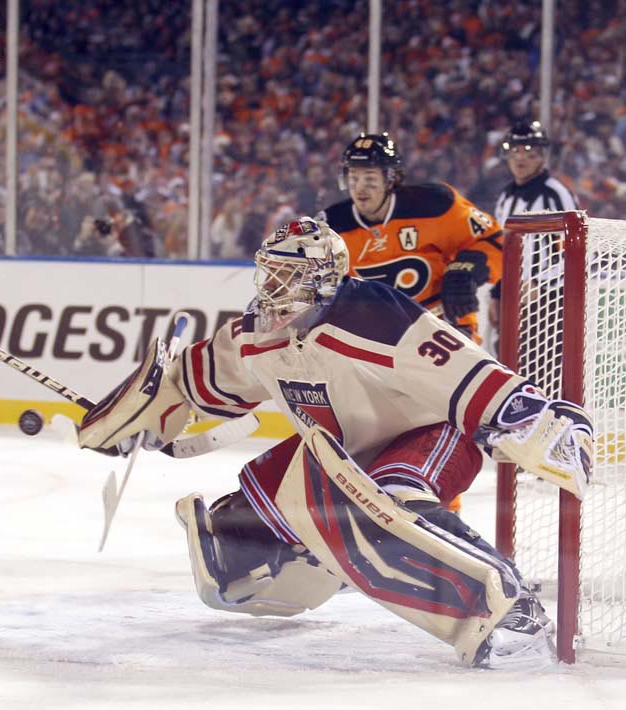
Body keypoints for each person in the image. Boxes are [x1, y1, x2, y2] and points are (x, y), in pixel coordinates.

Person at [77, 217, 593, 669]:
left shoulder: (369, 313)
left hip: (431, 432)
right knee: (237, 536)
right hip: (346, 453)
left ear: (323, 277)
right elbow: (196, 380)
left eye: (288, 274)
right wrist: (148, 412)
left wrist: (525, 415)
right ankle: (324, 561)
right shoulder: (258, 333)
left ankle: (509, 609)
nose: (273, 285)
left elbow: (457, 362)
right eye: (270, 271)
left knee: (387, 498)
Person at [322, 132, 503, 514]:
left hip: (445, 337)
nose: (361, 187)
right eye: (354, 178)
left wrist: (470, 268)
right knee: (372, 434)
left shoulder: (436, 205)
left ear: (391, 179)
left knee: (440, 432)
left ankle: (440, 516)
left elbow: (494, 238)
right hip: (379, 349)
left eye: (370, 178)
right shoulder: (332, 226)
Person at [489, 120, 579, 345]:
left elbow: (577, 251)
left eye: (528, 152)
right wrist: (496, 294)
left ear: (542, 156)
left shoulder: (555, 194)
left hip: (550, 302)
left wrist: (540, 283)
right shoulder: (505, 197)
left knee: (543, 372)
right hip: (512, 298)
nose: (520, 158)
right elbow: (501, 250)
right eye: (514, 151)